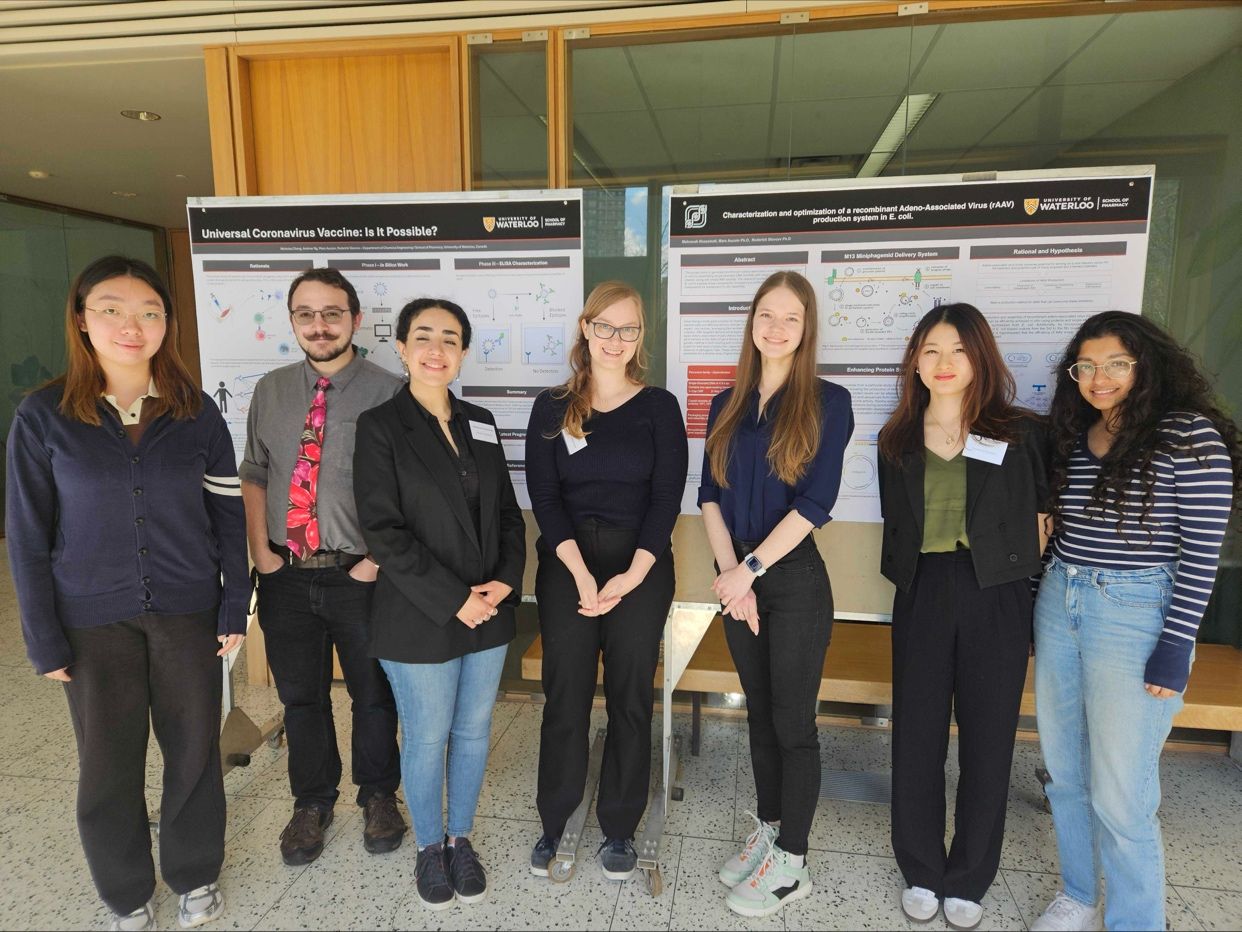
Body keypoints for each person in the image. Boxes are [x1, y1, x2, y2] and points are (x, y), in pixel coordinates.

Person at [5, 255, 249, 931]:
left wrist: (234, 605)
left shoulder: (196, 414)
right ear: (82, 320)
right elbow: (26, 537)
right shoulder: (44, 417)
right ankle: (125, 891)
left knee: (194, 751)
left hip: (188, 612)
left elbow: (229, 519)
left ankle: (194, 874)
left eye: (148, 311)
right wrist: (42, 636)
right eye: (110, 309)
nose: (130, 325)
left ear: (168, 324)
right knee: (107, 763)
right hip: (90, 622)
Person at [1030, 311, 1239, 932]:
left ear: (1146, 365)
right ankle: (1077, 894)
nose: (1100, 377)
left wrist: (1176, 648)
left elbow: (1204, 554)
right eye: (1087, 365)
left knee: (1121, 793)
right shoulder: (1077, 434)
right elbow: (1060, 535)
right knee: (1065, 773)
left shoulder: (1188, 435)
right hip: (1061, 603)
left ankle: (1134, 921)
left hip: (1135, 616)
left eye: (1116, 363)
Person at [876, 303, 1050, 930]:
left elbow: (1041, 519)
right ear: (915, 362)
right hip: (922, 591)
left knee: (988, 740)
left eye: (957, 350)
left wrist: (1029, 601)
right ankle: (922, 867)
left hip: (996, 593)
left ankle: (970, 876)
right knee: (916, 737)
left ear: (980, 357)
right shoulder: (895, 438)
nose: (943, 363)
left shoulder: (1020, 433)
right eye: (930, 351)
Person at [354, 298, 525, 910]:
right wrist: (457, 600)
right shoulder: (379, 427)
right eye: (422, 336)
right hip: (419, 614)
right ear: (399, 348)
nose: (436, 349)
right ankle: (429, 848)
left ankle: (460, 840)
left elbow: (508, 513)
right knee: (427, 736)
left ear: (463, 352)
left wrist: (505, 581)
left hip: (488, 610)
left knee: (473, 732)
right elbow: (383, 531)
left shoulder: (480, 421)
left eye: (450, 338)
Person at [697, 270, 853, 918]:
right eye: (767, 314)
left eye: (792, 317)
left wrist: (750, 571)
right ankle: (768, 830)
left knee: (793, 726)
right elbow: (708, 496)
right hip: (737, 579)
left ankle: (793, 862)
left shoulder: (829, 401)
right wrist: (734, 577)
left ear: (807, 328)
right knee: (758, 717)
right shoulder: (727, 400)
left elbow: (816, 504)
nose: (777, 327)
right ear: (752, 322)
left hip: (791, 582)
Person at [239, 267, 405, 866]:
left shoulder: (390, 391)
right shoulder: (273, 390)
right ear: (293, 322)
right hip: (284, 574)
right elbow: (254, 472)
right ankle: (311, 801)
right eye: (306, 314)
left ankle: (380, 795)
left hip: (359, 573)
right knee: (301, 697)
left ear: (356, 320)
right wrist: (261, 551)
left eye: (332, 313)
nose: (320, 325)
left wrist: (375, 563)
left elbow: (405, 490)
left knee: (372, 693)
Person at [525, 281, 688, 881]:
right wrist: (578, 572)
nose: (616, 339)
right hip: (568, 564)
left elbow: (667, 497)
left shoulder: (659, 408)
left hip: (641, 566)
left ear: (640, 338)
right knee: (564, 694)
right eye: (606, 326)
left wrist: (631, 574)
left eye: (629, 329)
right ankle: (555, 816)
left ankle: (620, 825)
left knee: (629, 697)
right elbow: (543, 496)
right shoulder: (552, 405)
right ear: (585, 328)